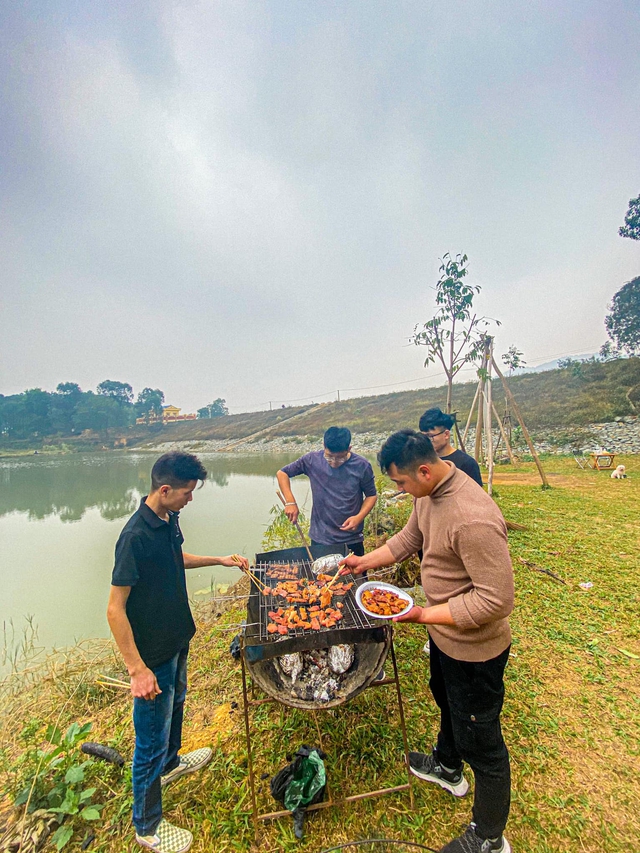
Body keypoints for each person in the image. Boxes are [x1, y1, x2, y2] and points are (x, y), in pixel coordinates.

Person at [342, 430, 514, 853]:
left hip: (476, 649)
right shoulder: (428, 492)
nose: (399, 491)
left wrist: (421, 614)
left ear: (423, 469)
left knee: (483, 741)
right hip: (444, 634)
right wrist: (364, 561)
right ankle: (447, 765)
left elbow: (496, 599)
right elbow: (409, 540)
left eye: (400, 484)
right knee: (443, 696)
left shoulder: (471, 515)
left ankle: (490, 837)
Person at [107, 451, 249, 853]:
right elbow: (114, 609)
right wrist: (137, 669)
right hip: (151, 653)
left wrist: (217, 560)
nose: (191, 499)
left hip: (177, 637)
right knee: (149, 739)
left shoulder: (169, 519)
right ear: (165, 490)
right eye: (187, 492)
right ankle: (147, 826)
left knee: (179, 703)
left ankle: (171, 765)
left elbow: (175, 559)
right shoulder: (134, 536)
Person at [276, 426, 377, 557]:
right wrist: (290, 502)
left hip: (352, 539)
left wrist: (359, 517)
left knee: (355, 576)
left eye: (340, 457)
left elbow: (371, 495)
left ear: (349, 449)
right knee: (321, 576)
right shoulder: (312, 460)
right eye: (329, 457)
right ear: (323, 446)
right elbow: (282, 473)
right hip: (320, 539)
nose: (334, 462)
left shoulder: (362, 466)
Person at [419, 407, 483, 487]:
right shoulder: (423, 461)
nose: (426, 440)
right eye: (423, 436)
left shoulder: (467, 463)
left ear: (446, 434)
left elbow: (476, 496)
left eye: (430, 436)